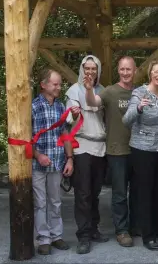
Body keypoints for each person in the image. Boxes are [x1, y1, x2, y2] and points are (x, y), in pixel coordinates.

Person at [84, 56, 139, 247]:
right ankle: (122, 230)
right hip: (117, 150)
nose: (125, 73)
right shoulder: (110, 92)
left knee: (138, 192)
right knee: (120, 194)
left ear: (135, 71)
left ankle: (136, 226)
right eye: (122, 69)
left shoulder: (140, 92)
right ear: (118, 71)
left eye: (128, 69)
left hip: (139, 149)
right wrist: (89, 89)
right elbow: (92, 103)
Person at [123, 60, 158, 251]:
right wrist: (138, 108)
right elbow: (126, 120)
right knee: (144, 193)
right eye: (156, 72)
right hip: (142, 150)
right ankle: (147, 235)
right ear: (150, 74)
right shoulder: (139, 93)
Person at [65, 55, 108, 255]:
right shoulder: (73, 91)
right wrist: (73, 113)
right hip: (81, 146)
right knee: (83, 193)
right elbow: (67, 119)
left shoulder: (103, 91)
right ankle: (83, 235)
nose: (90, 72)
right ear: (82, 69)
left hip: (100, 147)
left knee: (95, 193)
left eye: (94, 68)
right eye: (87, 68)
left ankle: (93, 229)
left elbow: (101, 111)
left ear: (98, 71)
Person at [31, 69, 74, 255]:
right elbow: (25, 137)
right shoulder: (32, 107)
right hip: (38, 165)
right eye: (55, 84)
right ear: (43, 85)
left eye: (59, 84)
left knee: (55, 201)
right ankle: (43, 239)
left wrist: (70, 159)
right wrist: (37, 155)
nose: (58, 87)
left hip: (57, 162)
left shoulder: (60, 106)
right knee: (40, 203)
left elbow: (65, 134)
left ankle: (56, 236)